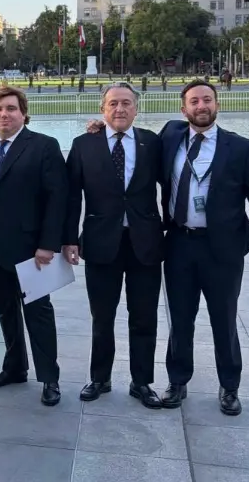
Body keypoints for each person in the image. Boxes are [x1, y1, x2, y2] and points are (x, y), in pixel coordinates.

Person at [159, 80, 249, 415]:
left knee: (223, 319)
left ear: (217, 105)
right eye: (194, 101)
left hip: (222, 249)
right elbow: (134, 141)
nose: (202, 106)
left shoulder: (242, 148)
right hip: (179, 244)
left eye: (207, 100)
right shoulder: (170, 136)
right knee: (180, 318)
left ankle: (229, 386)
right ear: (183, 109)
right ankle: (177, 381)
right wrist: (99, 128)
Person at [63, 83, 164, 409]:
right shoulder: (83, 145)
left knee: (144, 316)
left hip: (144, 244)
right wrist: (69, 238)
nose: (120, 109)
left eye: (126, 103)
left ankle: (142, 381)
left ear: (136, 108)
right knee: (102, 316)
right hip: (100, 242)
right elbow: (71, 196)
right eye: (113, 104)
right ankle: (100, 377)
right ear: (102, 109)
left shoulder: (153, 142)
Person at [0, 86, 65, 406]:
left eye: (10, 108)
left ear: (23, 113)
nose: (3, 114)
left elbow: (56, 199)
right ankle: (15, 367)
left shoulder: (44, 146)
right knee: (5, 312)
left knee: (39, 314)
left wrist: (48, 244)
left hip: (31, 250)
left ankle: (49, 377)